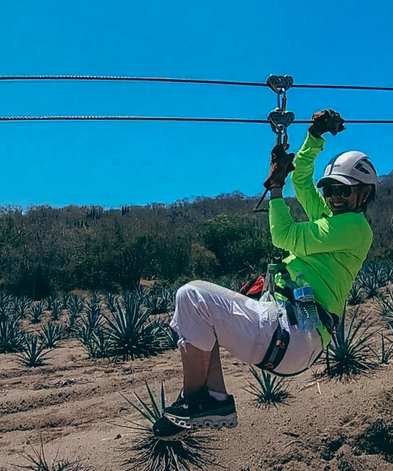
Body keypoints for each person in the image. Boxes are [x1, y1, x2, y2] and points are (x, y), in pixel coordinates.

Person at [160, 109, 376, 432]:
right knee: (203, 316)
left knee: (191, 297)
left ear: (365, 193)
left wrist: (276, 187)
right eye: (330, 190)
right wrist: (314, 138)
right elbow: (302, 179)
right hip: (288, 327)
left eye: (343, 190)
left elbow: (284, 235)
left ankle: (194, 403)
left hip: (295, 332)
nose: (333, 197)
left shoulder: (356, 229)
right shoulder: (332, 218)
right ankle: (215, 401)